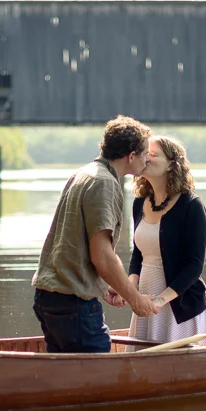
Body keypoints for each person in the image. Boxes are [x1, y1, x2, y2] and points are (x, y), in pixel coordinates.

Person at [32, 115, 158, 353]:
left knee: (68, 383)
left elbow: (74, 246)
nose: (147, 161)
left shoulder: (84, 173)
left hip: (50, 298)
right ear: (131, 156)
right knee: (96, 380)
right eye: (144, 155)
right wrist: (135, 298)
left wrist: (107, 286)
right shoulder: (105, 183)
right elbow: (102, 255)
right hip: (73, 304)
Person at [124, 136, 206, 347]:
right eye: (144, 152)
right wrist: (130, 291)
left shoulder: (191, 205)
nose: (145, 157)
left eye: (153, 154)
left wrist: (159, 301)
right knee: (142, 369)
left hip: (179, 305)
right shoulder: (139, 203)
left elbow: (195, 265)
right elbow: (138, 254)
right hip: (145, 299)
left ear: (172, 164)